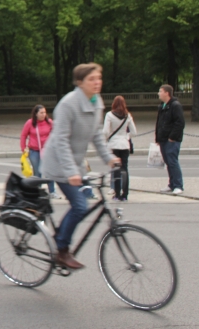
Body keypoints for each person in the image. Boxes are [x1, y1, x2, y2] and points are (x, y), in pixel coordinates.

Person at [43, 63, 120, 270]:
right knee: (80, 205)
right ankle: (61, 249)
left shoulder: (97, 102)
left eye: (99, 78)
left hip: (75, 165)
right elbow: (60, 141)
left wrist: (109, 158)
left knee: (84, 205)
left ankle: (62, 232)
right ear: (80, 82)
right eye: (91, 79)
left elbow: (96, 134)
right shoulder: (68, 104)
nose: (97, 83)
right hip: (59, 164)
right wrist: (71, 173)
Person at [19, 105, 61, 199]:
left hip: (47, 151)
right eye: (41, 113)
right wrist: (23, 148)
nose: (43, 114)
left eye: (45, 112)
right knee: (37, 172)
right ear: (36, 113)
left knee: (49, 172)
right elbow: (23, 135)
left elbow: (56, 134)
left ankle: (52, 191)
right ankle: (37, 192)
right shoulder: (30, 123)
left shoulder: (49, 122)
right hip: (34, 151)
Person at [103, 96, 136, 201]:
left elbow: (105, 131)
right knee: (125, 169)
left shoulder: (109, 115)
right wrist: (126, 137)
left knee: (116, 170)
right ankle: (125, 194)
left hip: (114, 145)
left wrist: (107, 139)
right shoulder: (128, 115)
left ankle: (116, 194)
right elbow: (134, 132)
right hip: (124, 145)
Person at [155, 84, 185, 194]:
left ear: (167, 93)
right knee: (168, 162)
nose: (158, 93)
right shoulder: (162, 106)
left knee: (173, 161)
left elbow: (179, 123)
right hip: (163, 138)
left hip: (171, 140)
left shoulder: (175, 105)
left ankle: (178, 185)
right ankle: (172, 184)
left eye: (160, 91)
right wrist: (158, 137)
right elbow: (159, 123)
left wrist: (172, 137)